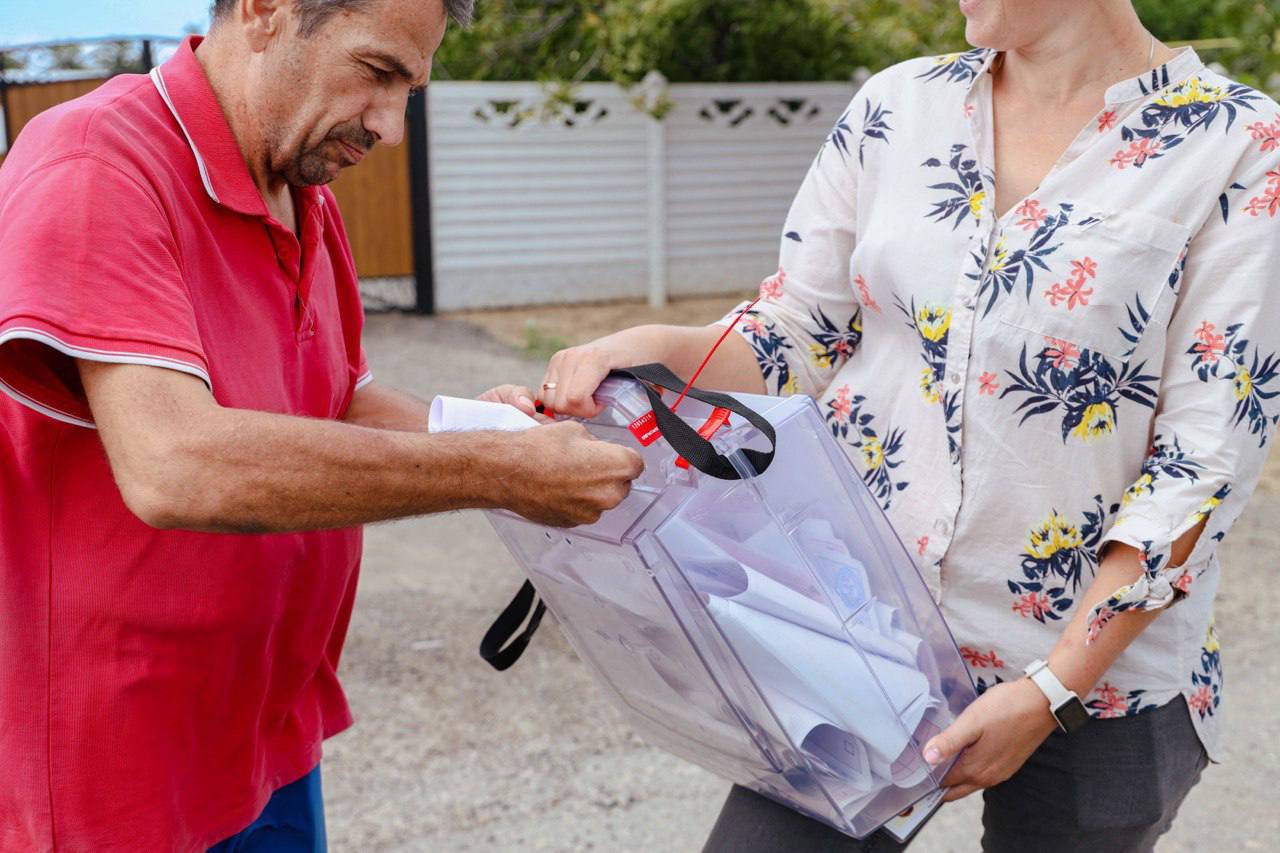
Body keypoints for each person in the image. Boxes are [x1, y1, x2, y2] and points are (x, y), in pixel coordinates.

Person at [536, 0, 1280, 850]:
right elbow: (798, 331)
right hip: (865, 634)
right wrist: (642, 350)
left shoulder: (1241, 146)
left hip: (1101, 683)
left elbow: (1200, 465)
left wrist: (1051, 688)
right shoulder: (898, 106)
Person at [0, 0, 643, 849]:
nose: (391, 127)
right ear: (266, 10)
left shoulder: (304, 195)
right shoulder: (97, 161)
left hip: (264, 732)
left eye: (410, 89)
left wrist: (491, 432)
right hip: (117, 769)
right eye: (376, 72)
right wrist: (501, 473)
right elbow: (172, 463)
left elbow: (337, 397)